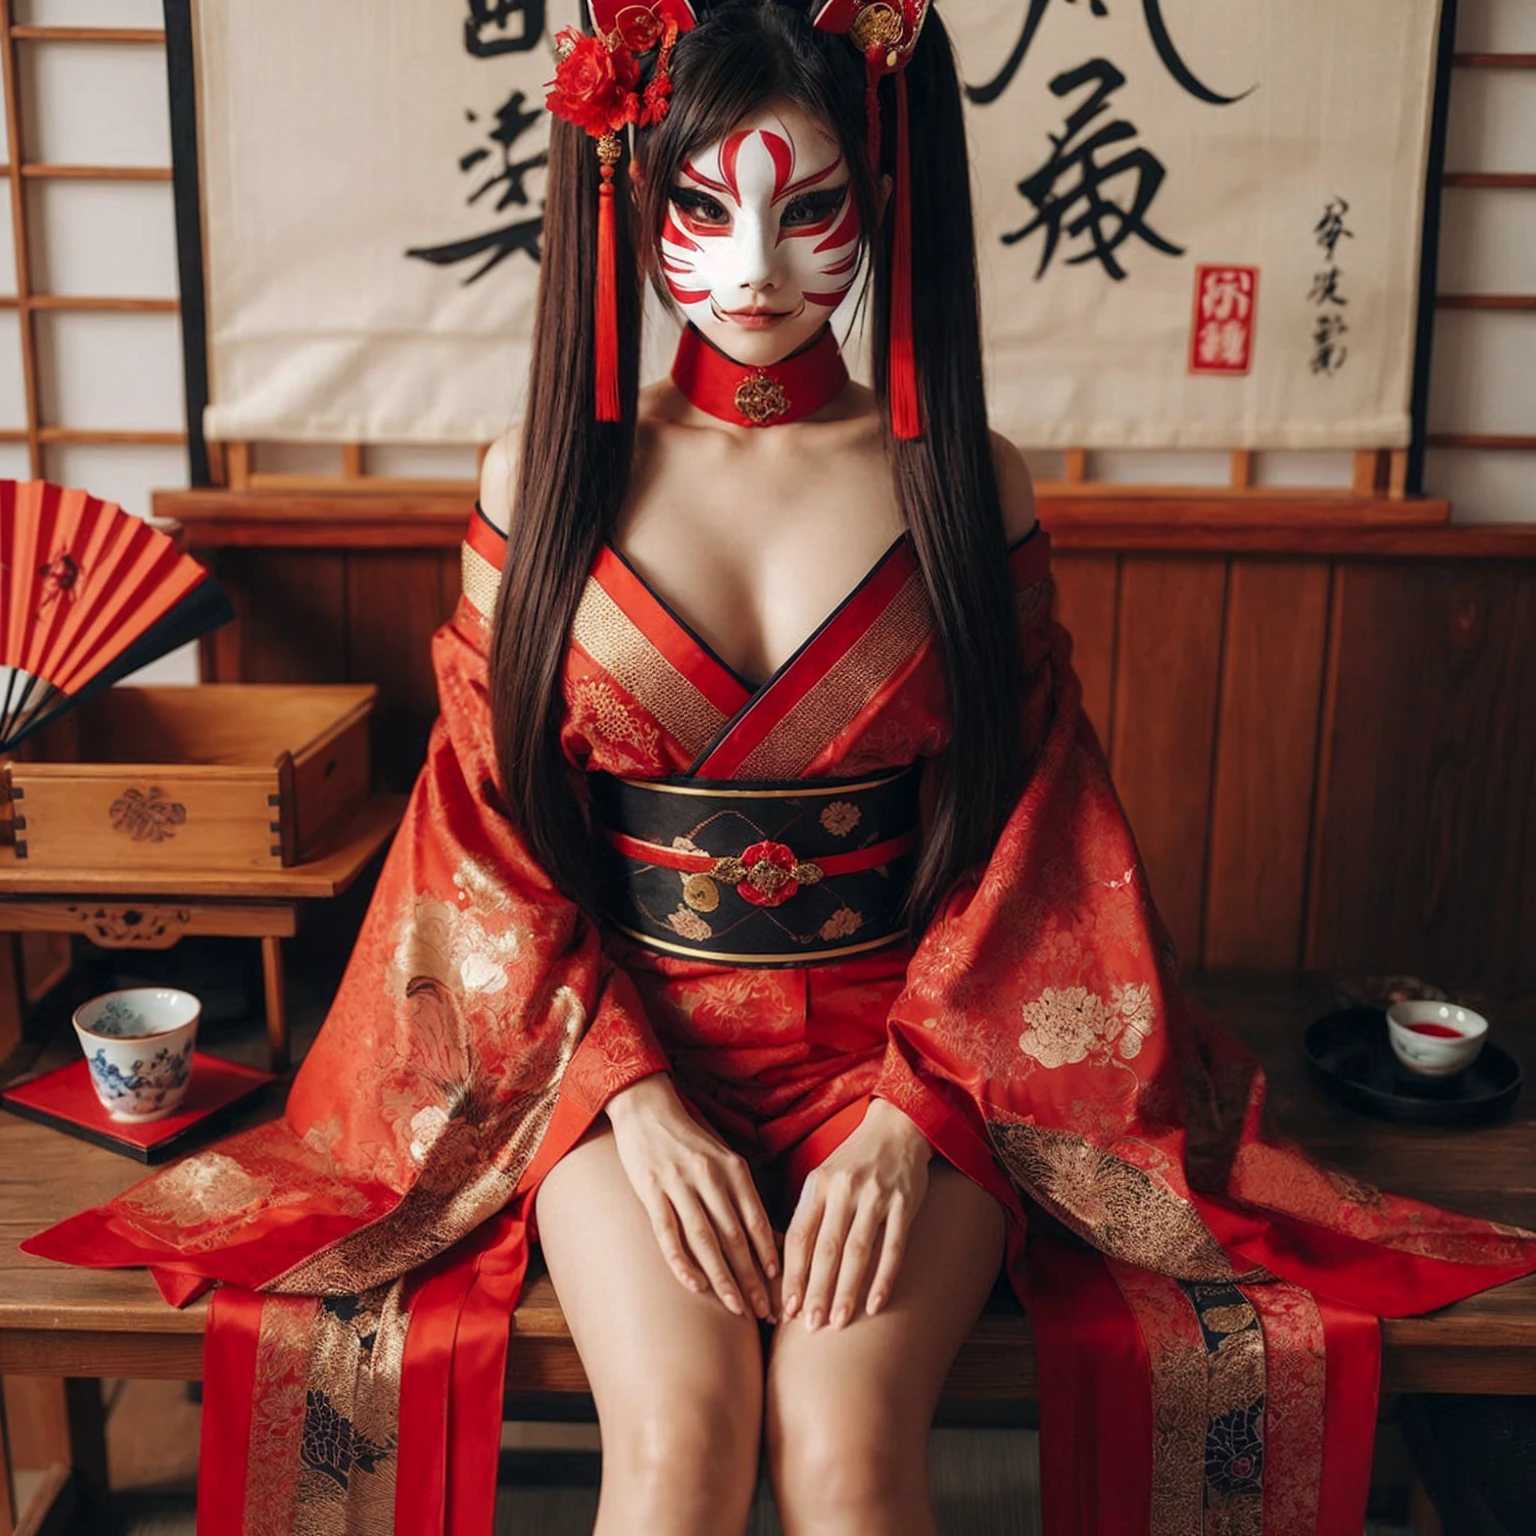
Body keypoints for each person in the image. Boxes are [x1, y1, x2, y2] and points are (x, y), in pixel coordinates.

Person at [21, 4, 1536, 1535]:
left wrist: (912, 1118)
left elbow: (1038, 841)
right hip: (619, 1061)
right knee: (678, 1446)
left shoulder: (959, 479)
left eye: (809, 209)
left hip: (919, 1062)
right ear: (626, 194)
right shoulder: (538, 477)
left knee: (844, 1447)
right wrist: (629, 1100)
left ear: (882, 199)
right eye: (701, 206)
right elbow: (484, 837)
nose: (752, 267)